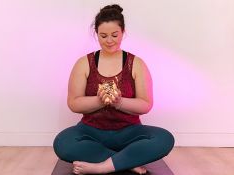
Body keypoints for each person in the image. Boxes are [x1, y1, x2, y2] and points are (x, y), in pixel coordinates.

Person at [53, 4, 175, 175]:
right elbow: (73, 103)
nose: (109, 40)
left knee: (164, 139)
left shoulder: (136, 63)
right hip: (91, 131)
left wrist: (119, 102)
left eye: (114, 35)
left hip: (129, 132)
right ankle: (127, 161)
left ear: (123, 32)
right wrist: (99, 100)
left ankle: (103, 166)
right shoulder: (84, 63)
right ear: (96, 34)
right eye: (103, 36)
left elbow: (146, 105)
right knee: (62, 143)